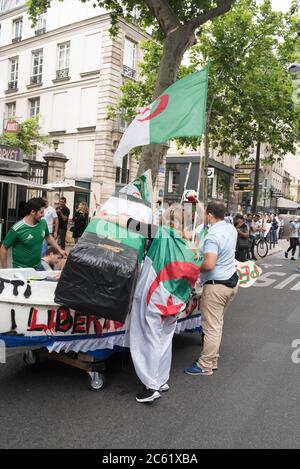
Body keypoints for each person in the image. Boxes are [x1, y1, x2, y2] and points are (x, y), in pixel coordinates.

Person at [184, 201, 238, 377]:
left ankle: (205, 364)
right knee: (217, 325)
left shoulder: (213, 235)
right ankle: (212, 360)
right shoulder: (230, 229)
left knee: (211, 327)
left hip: (216, 286)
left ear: (209, 215)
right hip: (231, 284)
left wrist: (193, 266)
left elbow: (208, 264)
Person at [0, 197, 67, 270]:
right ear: (32, 212)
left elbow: (48, 237)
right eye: (41, 212)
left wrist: (60, 250)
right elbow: (3, 248)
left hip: (37, 268)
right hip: (21, 270)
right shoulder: (17, 228)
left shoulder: (43, 223)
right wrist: (5, 270)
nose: (43, 215)